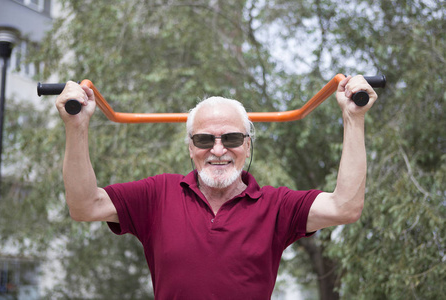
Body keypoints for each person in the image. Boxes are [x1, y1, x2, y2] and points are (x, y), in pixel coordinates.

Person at [56, 75, 377, 299]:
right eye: (205, 139)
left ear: (248, 146)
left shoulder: (276, 206)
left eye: (232, 139)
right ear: (190, 147)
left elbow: (345, 206)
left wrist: (354, 118)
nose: (219, 150)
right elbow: (85, 206)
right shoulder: (157, 196)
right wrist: (76, 125)